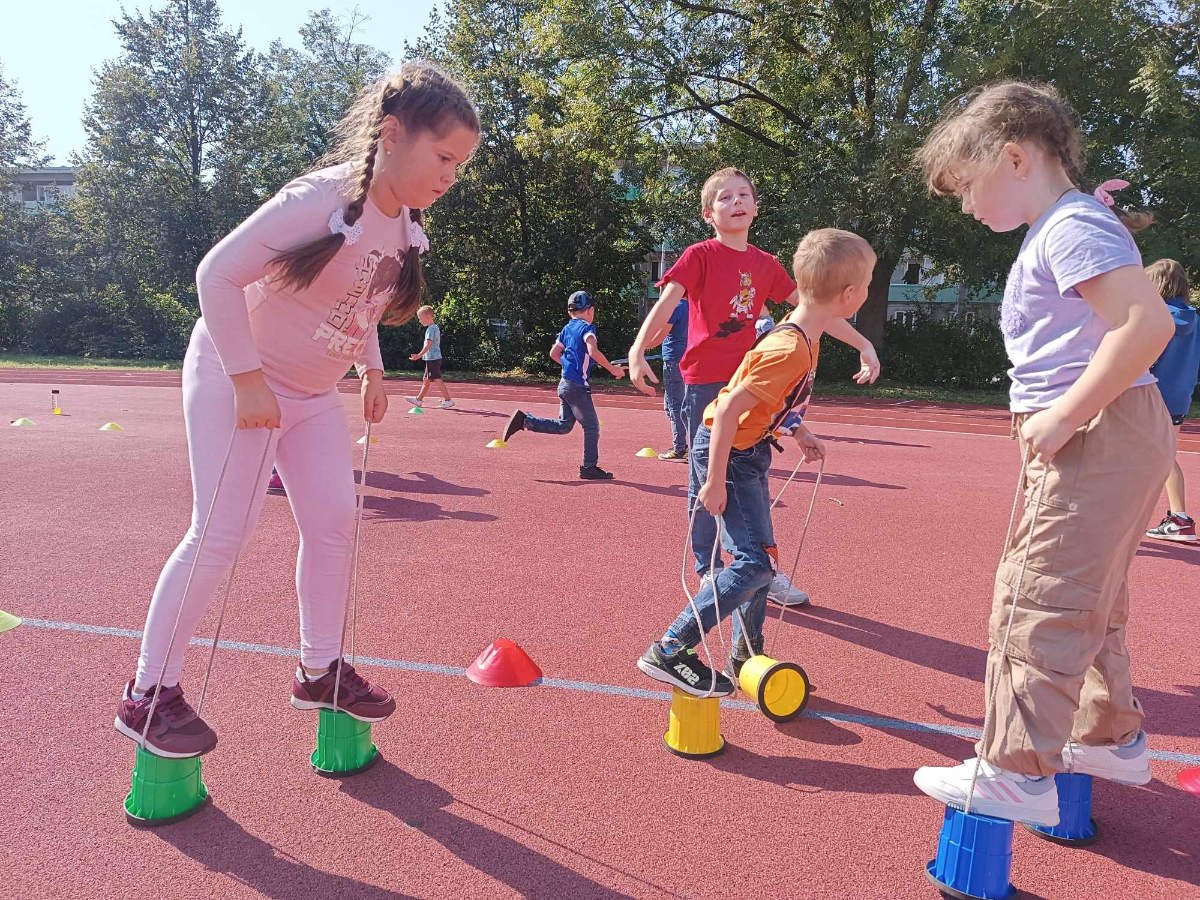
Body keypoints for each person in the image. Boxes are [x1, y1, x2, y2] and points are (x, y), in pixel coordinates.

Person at [114, 63, 480, 758]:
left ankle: (319, 671)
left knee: (335, 522)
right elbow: (216, 273)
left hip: (311, 396)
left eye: (459, 165)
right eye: (443, 157)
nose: (450, 176)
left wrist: (372, 368)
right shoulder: (320, 200)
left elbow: (360, 300)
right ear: (392, 134)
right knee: (219, 534)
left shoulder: (404, 224)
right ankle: (148, 694)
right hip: (238, 377)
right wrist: (248, 379)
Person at [912, 81, 1175, 826]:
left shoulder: (1070, 226)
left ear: (1015, 157)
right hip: (1114, 429)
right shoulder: (1066, 225)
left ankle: (1014, 771)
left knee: (1038, 594)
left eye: (968, 186)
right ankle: (1107, 736)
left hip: (1098, 428)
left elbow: (1145, 324)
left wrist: (1064, 414)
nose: (967, 206)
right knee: (1090, 596)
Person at [626, 166, 880, 607]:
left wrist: (863, 343)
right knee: (706, 477)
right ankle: (709, 568)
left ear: (756, 207)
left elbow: (816, 307)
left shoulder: (765, 264)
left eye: (744, 194)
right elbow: (666, 304)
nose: (736, 202)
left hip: (752, 379)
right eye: (724, 197)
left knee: (754, 478)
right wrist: (636, 351)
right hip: (706, 380)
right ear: (709, 214)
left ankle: (761, 568)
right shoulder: (699, 256)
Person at [637, 229, 874, 696]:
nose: (866, 292)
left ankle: (746, 654)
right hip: (730, 454)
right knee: (755, 565)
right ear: (849, 295)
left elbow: (767, 400)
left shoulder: (804, 333)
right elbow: (726, 409)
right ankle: (670, 647)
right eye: (867, 285)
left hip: (749, 449)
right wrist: (714, 481)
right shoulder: (789, 347)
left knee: (763, 557)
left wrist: (797, 430)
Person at [500, 291, 626, 479]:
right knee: (592, 426)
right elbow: (593, 351)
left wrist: (569, 365)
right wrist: (613, 369)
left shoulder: (567, 328)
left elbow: (554, 353)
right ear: (590, 310)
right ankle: (589, 467)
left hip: (565, 384)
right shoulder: (587, 329)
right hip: (577, 387)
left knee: (564, 426)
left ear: (570, 312)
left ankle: (525, 421)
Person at [1143, 259, 1200, 542]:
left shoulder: (1154, 315)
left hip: (1149, 394)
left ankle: (1114, 520)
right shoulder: (1195, 319)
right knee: (1165, 457)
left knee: (1120, 453)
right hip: (1179, 397)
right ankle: (1180, 518)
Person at [404, 304, 454, 409]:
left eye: (420, 318)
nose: (419, 320)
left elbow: (428, 344)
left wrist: (419, 355)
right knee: (426, 380)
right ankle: (419, 400)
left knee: (436, 379)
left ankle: (448, 400)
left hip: (433, 358)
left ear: (427, 317)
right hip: (432, 358)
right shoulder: (434, 328)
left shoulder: (431, 329)